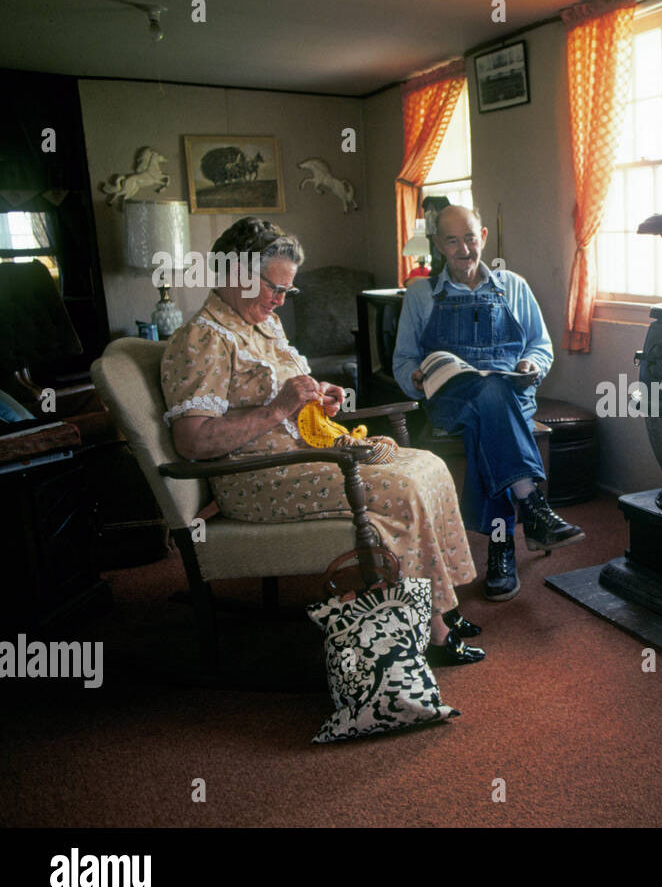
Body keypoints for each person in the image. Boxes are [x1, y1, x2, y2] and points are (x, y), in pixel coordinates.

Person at [160, 217, 485, 664]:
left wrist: (315, 398)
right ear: (237, 274)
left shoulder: (260, 324)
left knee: (429, 465)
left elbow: (285, 394)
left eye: (286, 291)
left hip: (301, 458)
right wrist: (277, 409)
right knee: (404, 488)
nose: (279, 301)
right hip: (257, 478)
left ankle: (442, 603)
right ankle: (433, 630)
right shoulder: (203, 338)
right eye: (274, 288)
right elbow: (193, 441)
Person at [392, 205, 583, 602]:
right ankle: (529, 506)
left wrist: (532, 363)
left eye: (470, 238)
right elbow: (403, 360)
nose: (464, 248)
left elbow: (540, 345)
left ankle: (502, 549)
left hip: (511, 394)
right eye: (452, 240)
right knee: (488, 398)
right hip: (451, 399)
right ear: (439, 245)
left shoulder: (513, 285)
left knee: (492, 404)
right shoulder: (421, 293)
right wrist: (414, 377)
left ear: (483, 235)